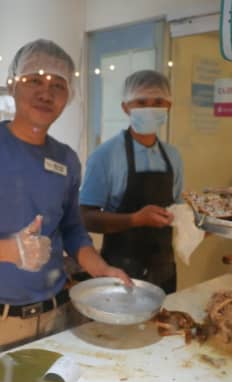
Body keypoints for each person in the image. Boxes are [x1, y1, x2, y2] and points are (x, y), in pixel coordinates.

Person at [0, 39, 131, 363]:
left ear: (68, 97)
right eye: (34, 80)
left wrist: (101, 268)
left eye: (57, 85)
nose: (45, 92)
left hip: (56, 319)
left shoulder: (66, 160)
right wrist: (8, 251)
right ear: (12, 85)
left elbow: (73, 229)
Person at [79, 70, 184, 294]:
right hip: (119, 270)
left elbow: (178, 208)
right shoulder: (105, 156)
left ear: (169, 106)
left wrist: (197, 222)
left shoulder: (173, 156)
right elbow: (85, 217)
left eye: (158, 101)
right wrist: (135, 219)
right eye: (142, 102)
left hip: (164, 269)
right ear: (126, 107)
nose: (150, 107)